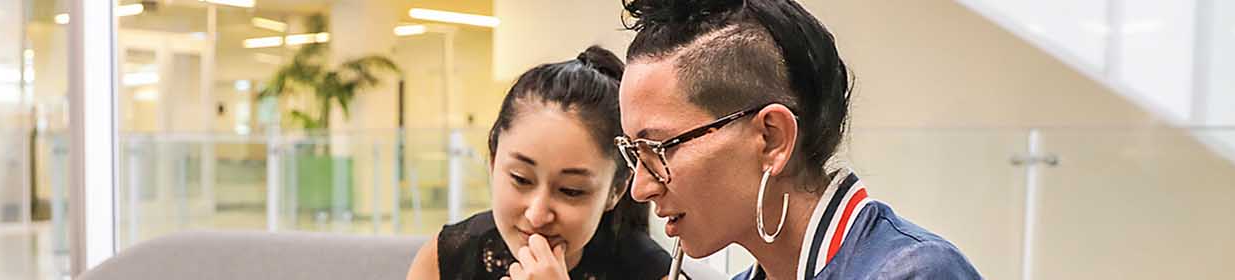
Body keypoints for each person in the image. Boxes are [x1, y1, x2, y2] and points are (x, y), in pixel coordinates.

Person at [613, 0, 982, 279]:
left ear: (771, 139)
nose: (641, 188)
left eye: (661, 148)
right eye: (634, 153)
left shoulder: (914, 272)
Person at [407, 46, 673, 280]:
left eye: (571, 190)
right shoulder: (446, 258)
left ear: (615, 190)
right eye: (520, 179)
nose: (537, 215)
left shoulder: (651, 271)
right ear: (492, 161)